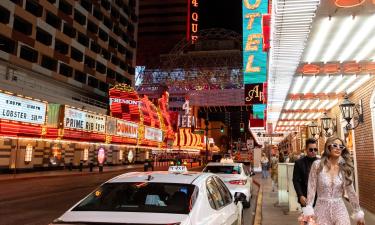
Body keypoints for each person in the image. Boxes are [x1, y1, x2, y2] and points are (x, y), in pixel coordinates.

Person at [302, 137, 365, 225]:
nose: (338, 148)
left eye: (341, 146)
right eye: (335, 145)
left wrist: (358, 212)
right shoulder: (317, 165)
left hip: (339, 209)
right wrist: (308, 210)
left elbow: (351, 192)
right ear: (328, 147)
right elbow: (311, 189)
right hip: (321, 209)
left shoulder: (345, 168)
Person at [293, 138, 318, 208]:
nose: (313, 151)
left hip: (319, 198)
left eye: (315, 149)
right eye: (311, 150)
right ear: (306, 149)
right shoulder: (299, 163)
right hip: (305, 197)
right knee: (307, 218)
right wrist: (300, 195)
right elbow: (296, 181)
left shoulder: (321, 162)